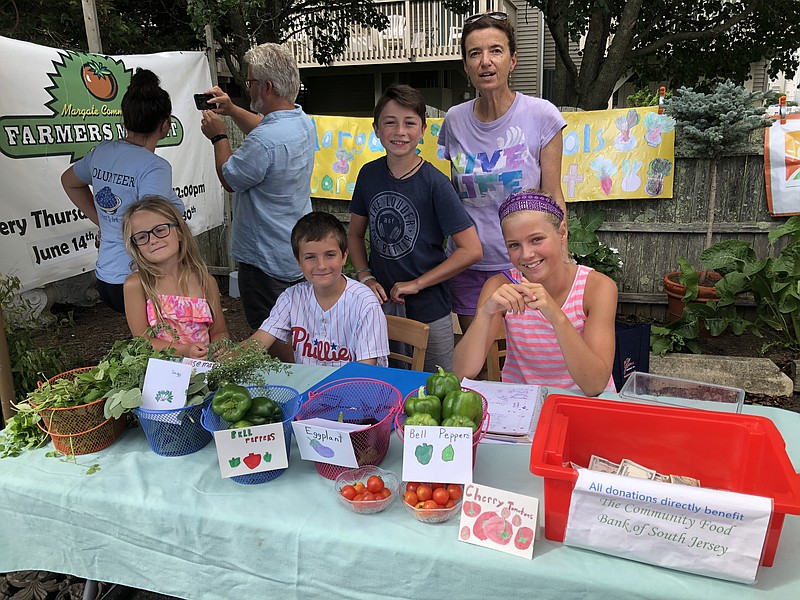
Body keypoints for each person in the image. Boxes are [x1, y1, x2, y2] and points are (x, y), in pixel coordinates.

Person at [438, 12, 567, 335]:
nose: (485, 61)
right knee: (479, 363)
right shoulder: (454, 120)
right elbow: (452, 198)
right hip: (469, 264)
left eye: (496, 50)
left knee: (524, 357)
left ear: (512, 60)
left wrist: (560, 261)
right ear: (466, 66)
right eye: (474, 53)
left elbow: (552, 196)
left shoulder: (541, 115)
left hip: (526, 263)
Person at [348, 84, 483, 373]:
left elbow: (471, 250)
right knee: (385, 385)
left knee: (439, 389)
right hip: (379, 309)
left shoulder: (435, 184)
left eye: (409, 123)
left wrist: (418, 284)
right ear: (376, 129)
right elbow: (355, 234)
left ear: (422, 130)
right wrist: (365, 276)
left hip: (430, 312)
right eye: (390, 122)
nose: (400, 131)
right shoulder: (368, 175)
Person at [199, 42, 314, 362]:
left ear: (266, 86)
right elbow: (267, 129)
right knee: (297, 327)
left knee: (270, 330)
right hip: (292, 247)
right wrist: (234, 109)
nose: (245, 87)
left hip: (264, 258)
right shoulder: (301, 120)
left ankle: (308, 377)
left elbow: (230, 178)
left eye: (249, 82)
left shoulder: (265, 142)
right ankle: (308, 368)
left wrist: (219, 136)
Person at [453, 190, 617, 396]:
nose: (527, 255)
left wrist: (556, 316)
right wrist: (485, 314)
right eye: (514, 245)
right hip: (524, 405)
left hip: (584, 404)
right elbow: (461, 372)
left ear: (562, 232)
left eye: (537, 239)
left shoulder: (597, 288)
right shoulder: (500, 286)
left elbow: (595, 385)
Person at [61, 68, 185, 313]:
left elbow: (69, 181)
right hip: (139, 279)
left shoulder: (103, 152)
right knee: (168, 345)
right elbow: (155, 229)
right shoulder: (154, 167)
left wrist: (103, 223)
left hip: (107, 276)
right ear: (165, 124)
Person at [246, 212, 389, 367]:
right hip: (309, 388)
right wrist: (223, 363)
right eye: (310, 257)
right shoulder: (291, 297)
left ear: (344, 256)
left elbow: (365, 372)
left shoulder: (365, 303)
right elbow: (258, 341)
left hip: (354, 387)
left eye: (329, 255)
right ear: (298, 262)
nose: (321, 265)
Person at [122, 196, 229, 359]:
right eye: (142, 237)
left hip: (206, 368)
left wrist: (218, 348)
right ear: (135, 246)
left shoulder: (205, 280)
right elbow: (143, 342)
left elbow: (219, 331)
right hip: (164, 373)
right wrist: (185, 350)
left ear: (179, 232)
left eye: (160, 230)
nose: (153, 240)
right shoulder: (137, 284)